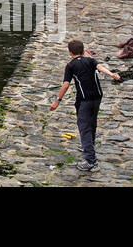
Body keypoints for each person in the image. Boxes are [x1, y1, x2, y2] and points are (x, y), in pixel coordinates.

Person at [49, 38, 121, 172]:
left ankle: (91, 161)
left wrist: (57, 101)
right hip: (97, 96)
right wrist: (112, 75)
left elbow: (65, 85)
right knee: (92, 122)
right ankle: (89, 145)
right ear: (83, 51)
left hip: (85, 100)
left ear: (70, 53)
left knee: (84, 128)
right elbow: (101, 68)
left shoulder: (70, 66)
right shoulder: (91, 60)